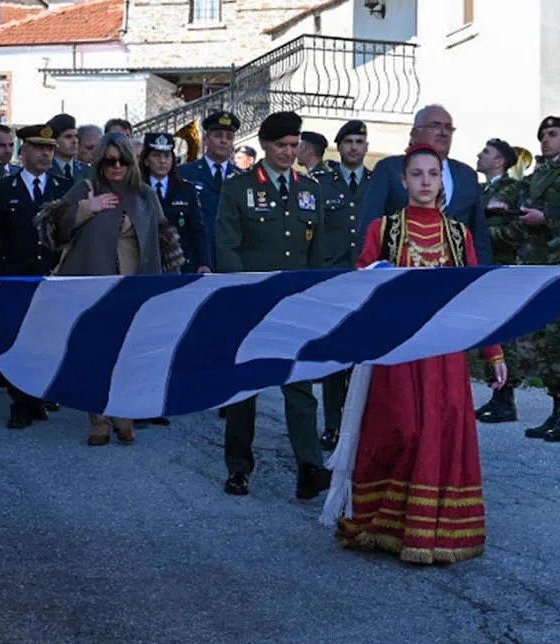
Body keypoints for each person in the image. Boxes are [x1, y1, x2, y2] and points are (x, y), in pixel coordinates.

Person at [337, 143, 507, 565]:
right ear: (404, 180)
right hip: (397, 350)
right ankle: (385, 524)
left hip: (444, 354)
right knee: (402, 429)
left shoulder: (458, 234)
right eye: (418, 174)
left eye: (433, 174)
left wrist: (494, 352)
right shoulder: (384, 229)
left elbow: (474, 299)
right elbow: (359, 284)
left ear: (442, 180)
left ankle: (437, 532)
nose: (426, 182)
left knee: (440, 434)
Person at [215, 111, 329, 499]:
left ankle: (309, 468)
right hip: (251, 304)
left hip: (294, 306)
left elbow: (318, 249)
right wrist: (244, 293)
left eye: (294, 145)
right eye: (281, 145)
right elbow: (227, 245)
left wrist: (313, 295)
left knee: (300, 387)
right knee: (245, 389)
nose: (288, 152)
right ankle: (238, 468)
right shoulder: (239, 187)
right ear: (264, 144)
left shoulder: (309, 188)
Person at [42, 132, 177, 445]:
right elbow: (55, 229)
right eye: (109, 161)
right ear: (99, 162)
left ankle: (124, 415)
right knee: (96, 352)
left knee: (129, 353)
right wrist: (88, 207)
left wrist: (163, 287)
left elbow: (164, 241)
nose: (116, 167)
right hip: (94, 285)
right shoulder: (85, 188)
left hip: (133, 285)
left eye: (122, 160)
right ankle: (99, 420)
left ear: (132, 162)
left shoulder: (145, 195)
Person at [0, 124, 73, 429]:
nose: (46, 154)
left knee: (48, 340)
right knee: (19, 341)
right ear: (25, 152)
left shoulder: (64, 188)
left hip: (51, 276)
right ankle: (21, 401)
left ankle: (40, 395)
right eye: (39, 148)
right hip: (15, 276)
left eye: (50, 148)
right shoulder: (1, 189)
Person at [514, 117, 560, 439]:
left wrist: (546, 218)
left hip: (559, 260)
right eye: (543, 135)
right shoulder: (538, 176)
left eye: (554, 134)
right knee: (544, 340)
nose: (546, 140)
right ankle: (556, 408)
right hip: (537, 263)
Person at [361, 104, 492, 264]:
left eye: (448, 128)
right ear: (415, 132)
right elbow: (369, 222)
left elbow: (479, 234)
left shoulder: (467, 174)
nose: (443, 133)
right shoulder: (389, 168)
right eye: (435, 126)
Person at [313, 120, 373, 450]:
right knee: (335, 358)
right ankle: (333, 425)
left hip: (367, 280)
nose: (353, 147)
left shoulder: (378, 184)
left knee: (365, 359)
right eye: (348, 141)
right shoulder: (321, 182)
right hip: (333, 279)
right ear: (339, 146)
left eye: (359, 141)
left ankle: (363, 426)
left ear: (366, 147)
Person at [475, 138, 524, 424]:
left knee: (504, 332)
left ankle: (507, 398)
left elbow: (516, 231)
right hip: (483, 268)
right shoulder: (480, 192)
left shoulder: (513, 190)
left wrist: (482, 233)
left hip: (503, 268)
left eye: (486, 153)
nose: (479, 156)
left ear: (500, 161)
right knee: (487, 331)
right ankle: (496, 392)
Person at [142, 132, 210, 274]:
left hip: (182, 266)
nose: (162, 161)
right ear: (146, 160)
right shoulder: (138, 190)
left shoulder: (186, 190)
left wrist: (204, 263)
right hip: (148, 266)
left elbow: (198, 230)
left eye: (167, 156)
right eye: (156, 156)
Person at [181, 110, 241, 269]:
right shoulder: (185, 173)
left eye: (229, 137)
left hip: (232, 261)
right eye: (218, 135)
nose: (224, 141)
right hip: (196, 259)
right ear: (206, 139)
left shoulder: (242, 178)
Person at [48, 113, 91, 181]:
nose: (75, 141)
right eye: (68, 137)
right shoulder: (44, 170)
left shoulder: (88, 171)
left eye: (76, 136)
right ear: (54, 140)